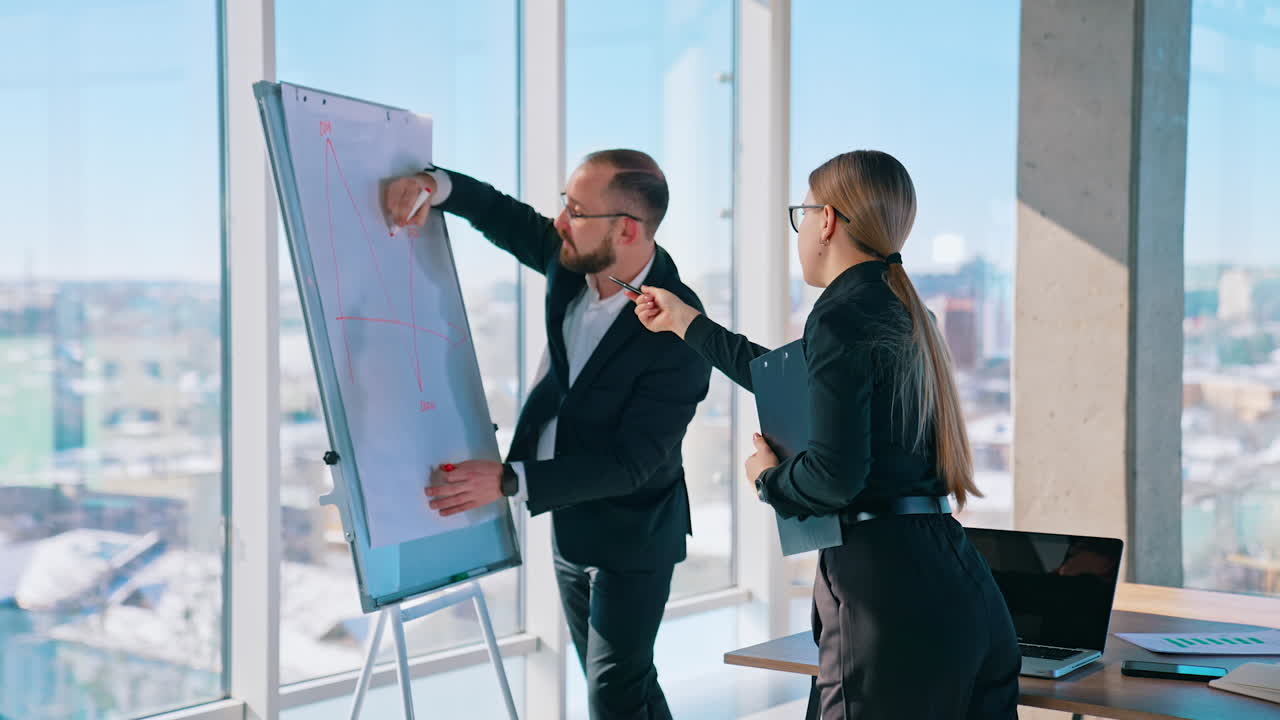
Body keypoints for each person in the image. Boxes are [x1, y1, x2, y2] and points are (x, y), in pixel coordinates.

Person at [630, 150, 1021, 719]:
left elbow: (835, 477)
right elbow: (796, 385)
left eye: (803, 214)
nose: (803, 229)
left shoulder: (839, 316)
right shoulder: (903, 310)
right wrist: (687, 323)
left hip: (885, 599)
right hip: (961, 586)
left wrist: (768, 479)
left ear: (828, 220)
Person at [383, 149, 711, 720]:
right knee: (621, 686)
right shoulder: (573, 262)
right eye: (565, 202)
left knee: (613, 692)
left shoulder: (679, 327)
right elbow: (502, 215)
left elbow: (633, 463)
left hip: (635, 534)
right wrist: (433, 185)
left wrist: (511, 480)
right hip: (571, 525)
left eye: (576, 210)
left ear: (627, 229)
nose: (560, 220)